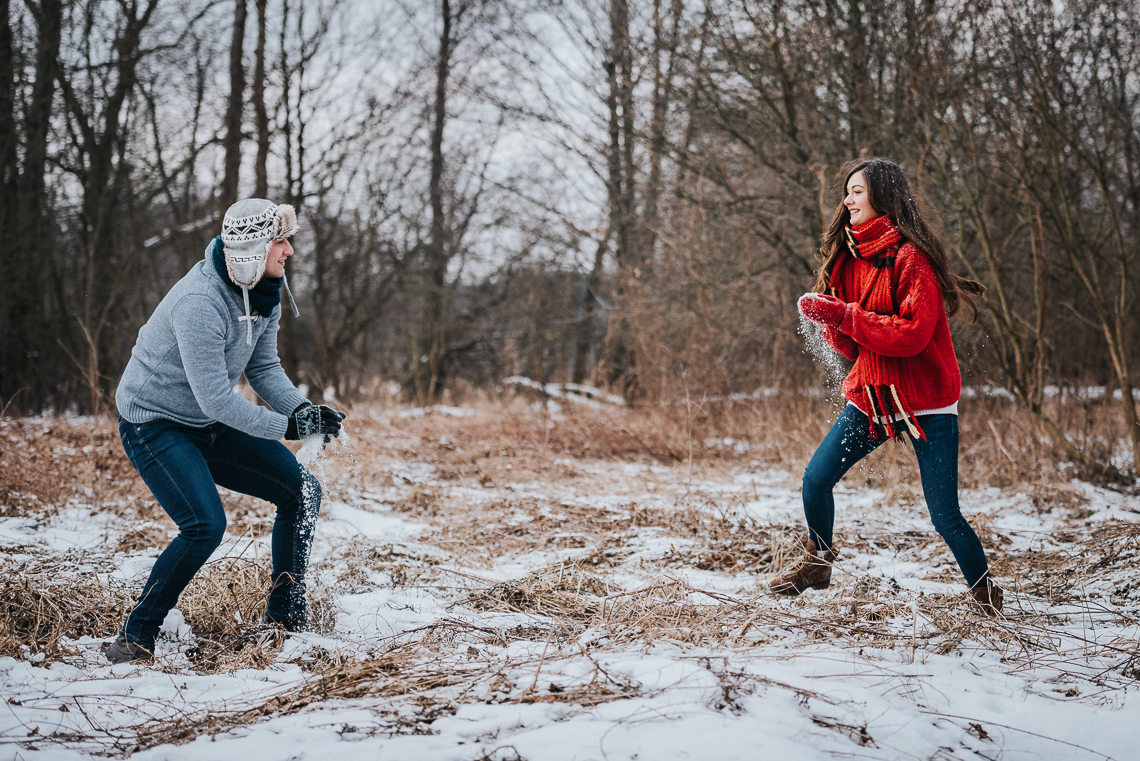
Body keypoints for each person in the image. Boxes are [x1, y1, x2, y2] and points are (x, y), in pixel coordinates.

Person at [107, 199, 347, 663]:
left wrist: (305, 413)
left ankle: (285, 621)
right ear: (252, 251)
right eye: (280, 240)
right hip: (155, 424)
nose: (289, 251)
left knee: (302, 493)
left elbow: (264, 367)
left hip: (207, 422)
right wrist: (286, 426)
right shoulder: (199, 302)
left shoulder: (264, 289)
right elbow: (214, 398)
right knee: (204, 526)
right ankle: (134, 638)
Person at [770, 158, 1003, 616]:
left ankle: (985, 594)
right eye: (847, 191)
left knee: (945, 517)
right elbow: (855, 349)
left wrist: (844, 316)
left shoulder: (911, 258)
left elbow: (912, 334)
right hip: (874, 398)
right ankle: (818, 562)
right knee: (816, 480)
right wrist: (828, 321)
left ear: (882, 196)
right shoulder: (848, 259)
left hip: (926, 402)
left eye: (856, 190)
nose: (847, 199)